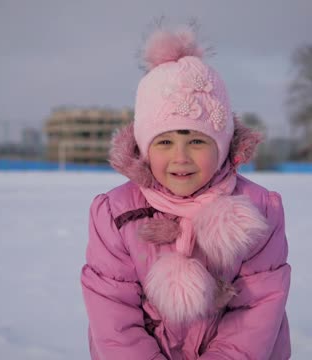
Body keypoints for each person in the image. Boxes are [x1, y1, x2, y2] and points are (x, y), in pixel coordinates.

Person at [80, 23, 291, 360]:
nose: (180, 157)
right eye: (164, 142)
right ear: (144, 148)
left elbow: (259, 305)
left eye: (196, 140)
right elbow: (113, 313)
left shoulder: (258, 211)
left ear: (221, 146)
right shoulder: (116, 214)